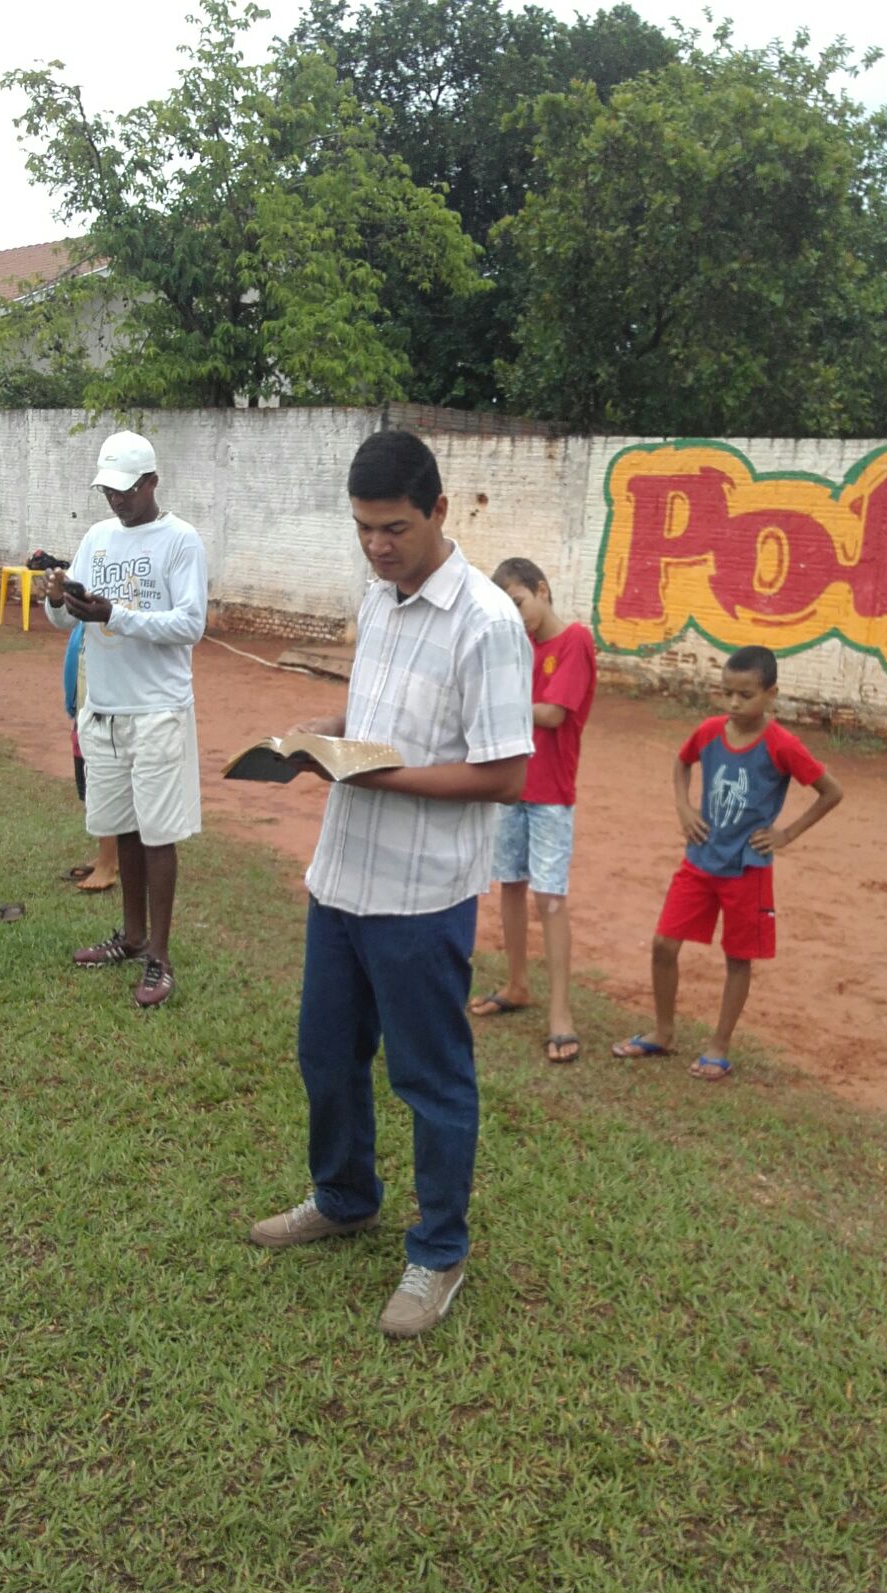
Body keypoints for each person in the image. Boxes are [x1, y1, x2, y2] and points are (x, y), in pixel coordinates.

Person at [249, 430, 534, 1338]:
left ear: (439, 510)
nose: (378, 546)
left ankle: (439, 1253)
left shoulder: (488, 624)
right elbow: (378, 708)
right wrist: (320, 734)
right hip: (342, 878)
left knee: (430, 1078)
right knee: (326, 1054)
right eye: (363, 528)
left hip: (421, 895)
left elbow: (505, 774)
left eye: (395, 528)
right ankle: (344, 1197)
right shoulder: (379, 597)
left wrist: (380, 777)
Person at [612, 646, 843, 1080]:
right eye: (727, 693)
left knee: (738, 958)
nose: (734, 704)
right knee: (663, 944)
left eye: (746, 695)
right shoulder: (709, 731)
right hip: (700, 860)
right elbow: (682, 763)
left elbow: (831, 792)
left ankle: (718, 1046)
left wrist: (787, 834)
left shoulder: (782, 745)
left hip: (747, 869)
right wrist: (684, 808)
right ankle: (663, 1032)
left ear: (772, 694)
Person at [44, 429, 208, 1007]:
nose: (116, 499)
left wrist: (117, 614)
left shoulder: (180, 540)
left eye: (126, 489)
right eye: (108, 490)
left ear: (152, 482)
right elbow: (69, 622)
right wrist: (59, 598)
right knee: (126, 829)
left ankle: (159, 956)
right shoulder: (97, 537)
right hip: (106, 711)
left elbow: (190, 624)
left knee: (159, 835)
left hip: (158, 710)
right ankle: (133, 937)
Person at [469, 558, 596, 1065]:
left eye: (519, 602)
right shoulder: (519, 644)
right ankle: (517, 983)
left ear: (542, 590)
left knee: (551, 899)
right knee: (511, 887)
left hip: (551, 797)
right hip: (511, 786)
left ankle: (561, 1013)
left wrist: (493, 701)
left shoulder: (575, 641)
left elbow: (553, 714)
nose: (516, 614)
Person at [62, 622, 118, 892]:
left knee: (104, 788)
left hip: (103, 716)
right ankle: (108, 855)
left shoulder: (109, 625)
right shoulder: (83, 627)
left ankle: (108, 864)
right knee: (90, 788)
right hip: (86, 712)